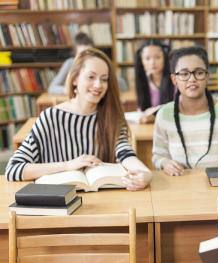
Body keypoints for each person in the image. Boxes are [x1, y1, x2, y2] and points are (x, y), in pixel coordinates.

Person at [6, 48, 152, 190]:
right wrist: (68, 165)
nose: (98, 85)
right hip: (59, 205)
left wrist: (144, 173)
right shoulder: (50, 117)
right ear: (75, 78)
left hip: (103, 203)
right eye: (91, 77)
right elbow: (13, 169)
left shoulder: (111, 117)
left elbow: (125, 154)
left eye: (104, 79)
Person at [152, 46, 218, 176]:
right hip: (180, 184)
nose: (192, 79)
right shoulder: (164, 114)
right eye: (184, 74)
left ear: (207, 77)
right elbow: (157, 156)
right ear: (174, 79)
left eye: (199, 72)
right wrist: (165, 163)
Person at [48, 32, 127, 94]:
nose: (86, 58)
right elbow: (52, 87)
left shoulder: (100, 64)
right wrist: (69, 90)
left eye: (89, 53)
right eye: (81, 54)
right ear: (75, 54)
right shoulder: (69, 63)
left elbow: (123, 86)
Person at [134, 40, 174, 123]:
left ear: (165, 58)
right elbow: (141, 110)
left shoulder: (175, 80)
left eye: (157, 57)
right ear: (141, 61)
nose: (152, 62)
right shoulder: (143, 82)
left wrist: (155, 116)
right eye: (147, 58)